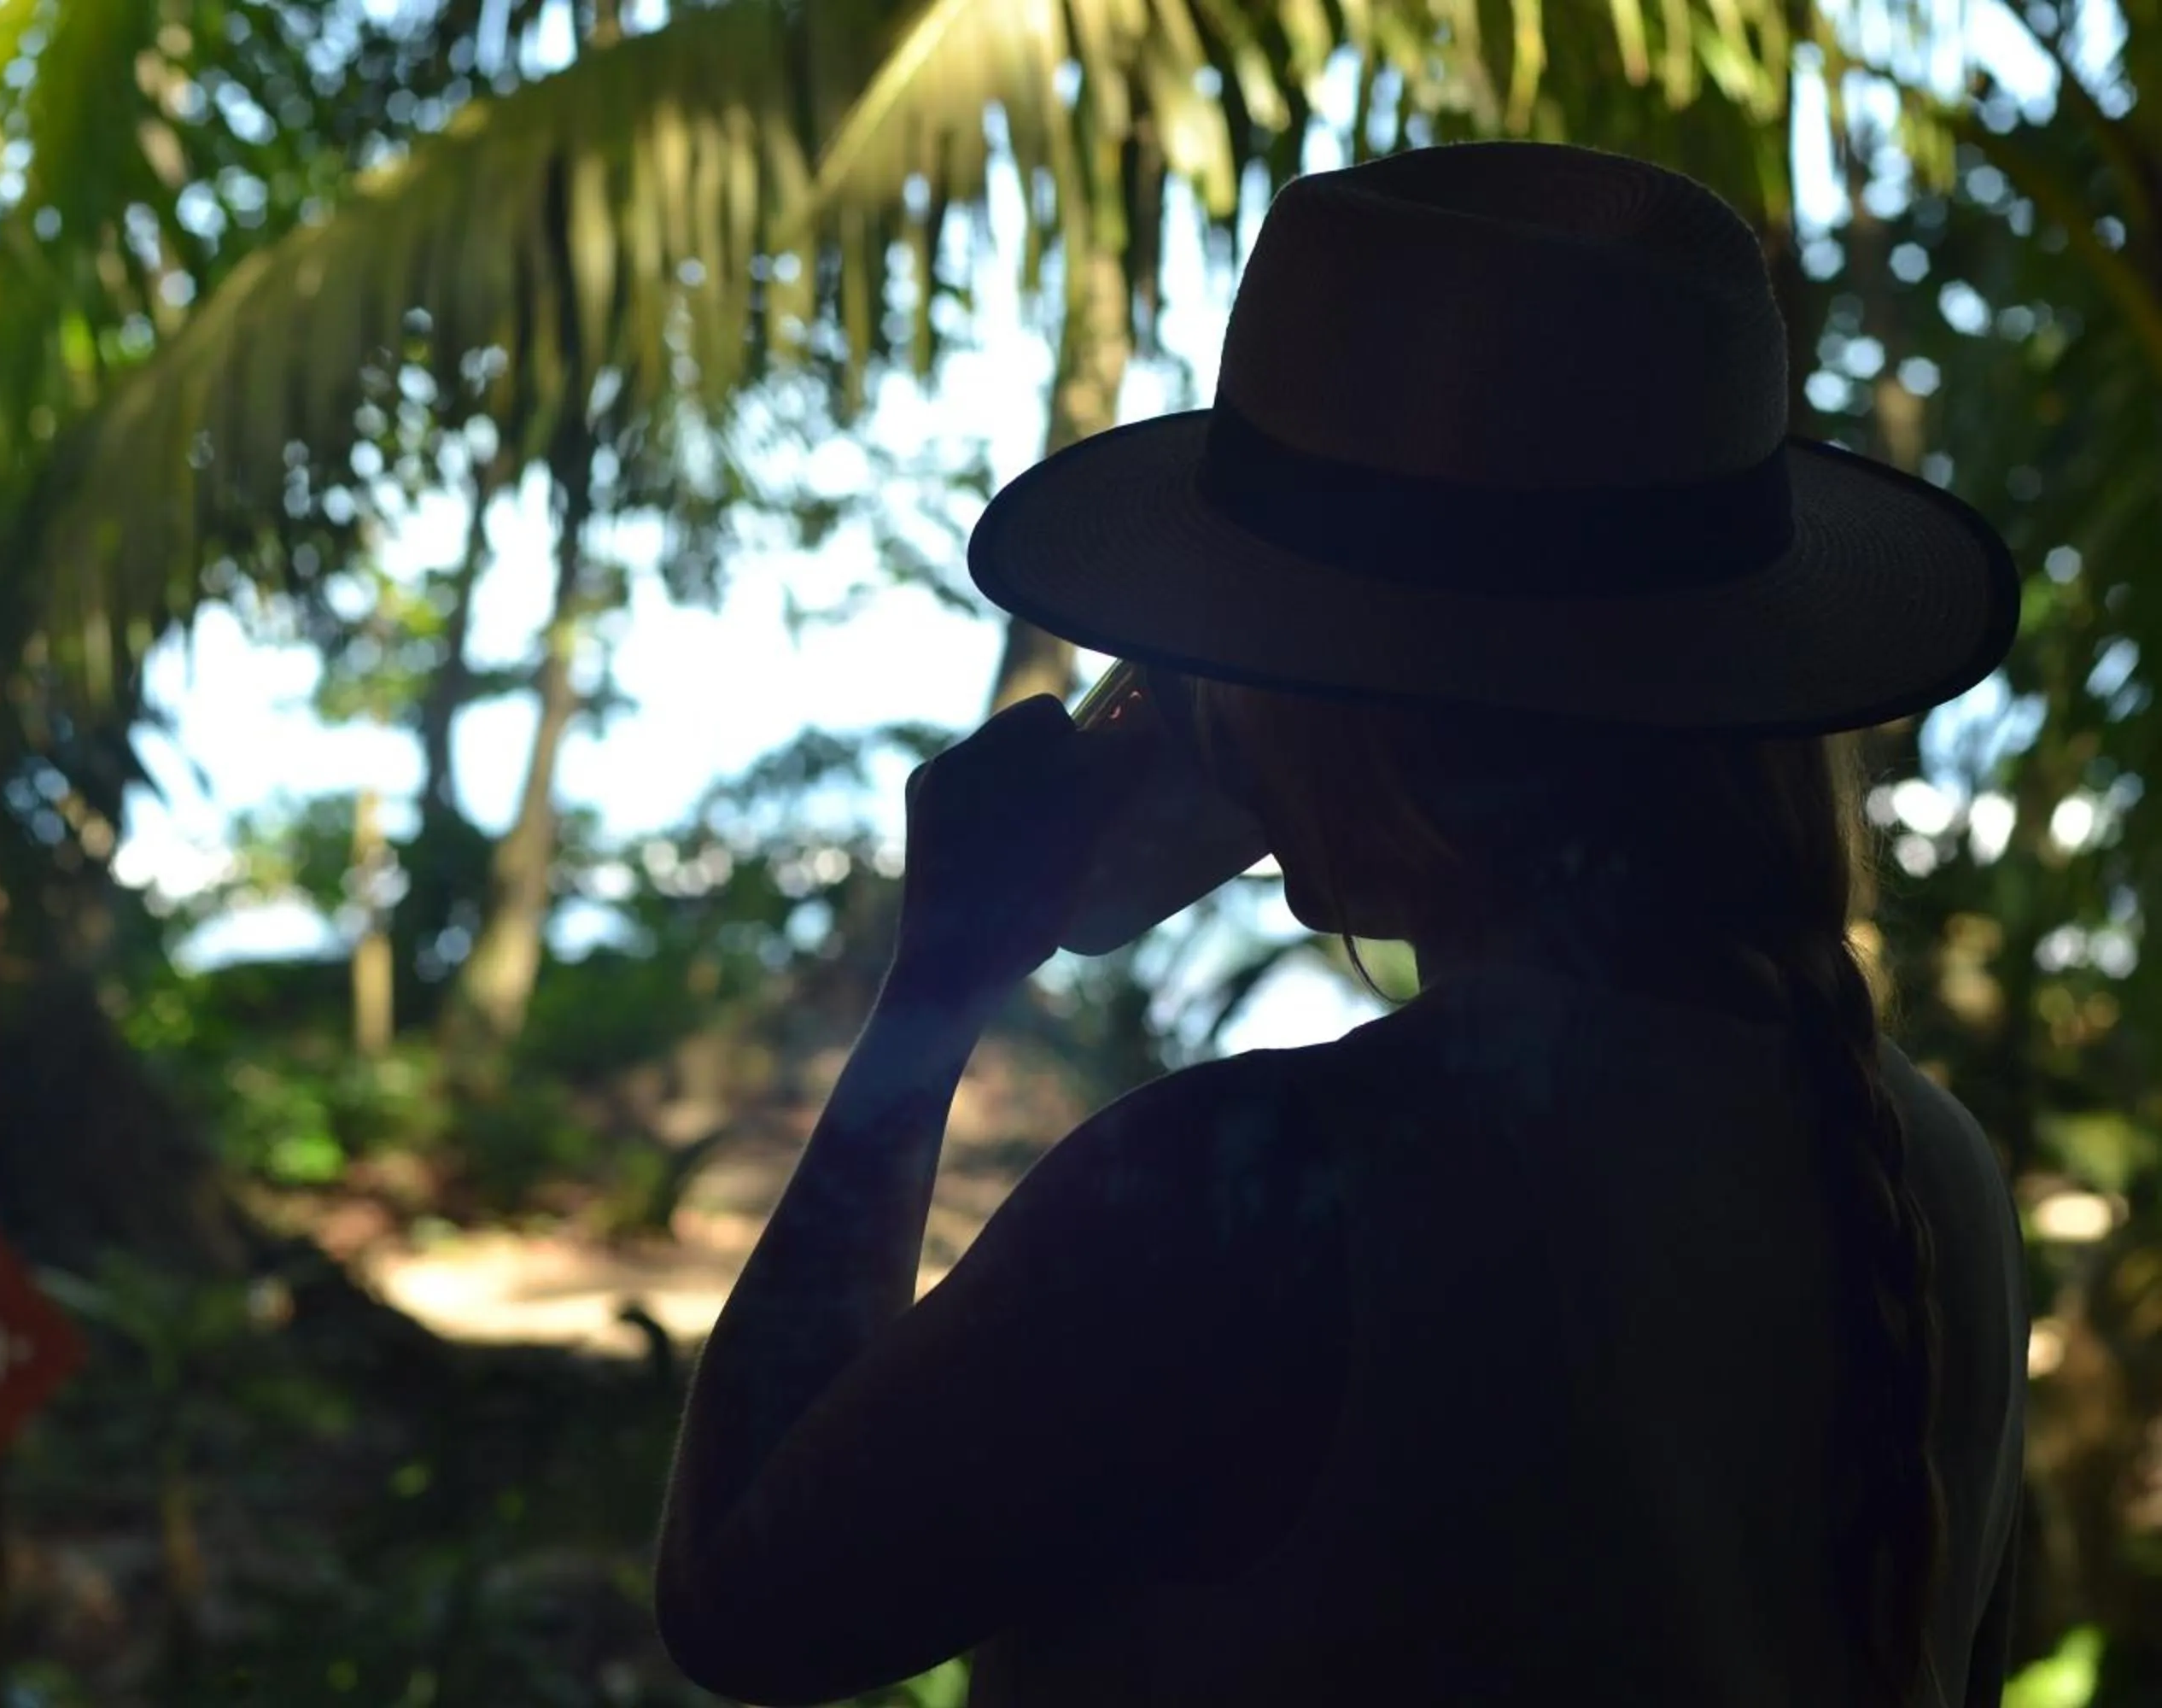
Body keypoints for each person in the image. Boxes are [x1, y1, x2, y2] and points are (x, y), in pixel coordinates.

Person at [650, 141, 2028, 1707]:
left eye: (1222, 642)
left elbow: (743, 1608)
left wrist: (936, 989)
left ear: (1320, 693)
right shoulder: (1929, 1177)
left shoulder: (1263, 1186)